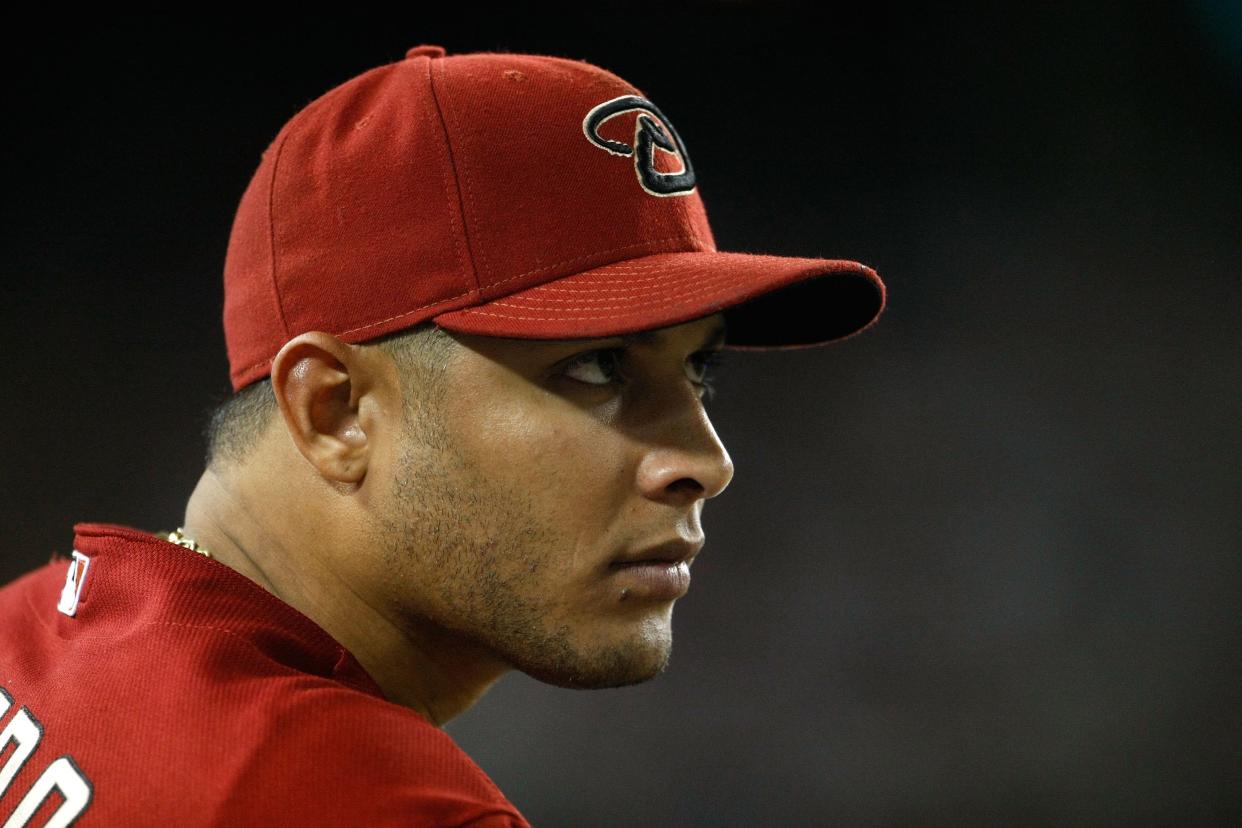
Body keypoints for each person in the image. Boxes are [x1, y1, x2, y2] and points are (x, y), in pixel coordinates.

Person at [0, 44, 885, 826]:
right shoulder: (375, 806)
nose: (707, 462)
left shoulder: (23, 631)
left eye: (700, 373)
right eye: (599, 367)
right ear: (335, 412)